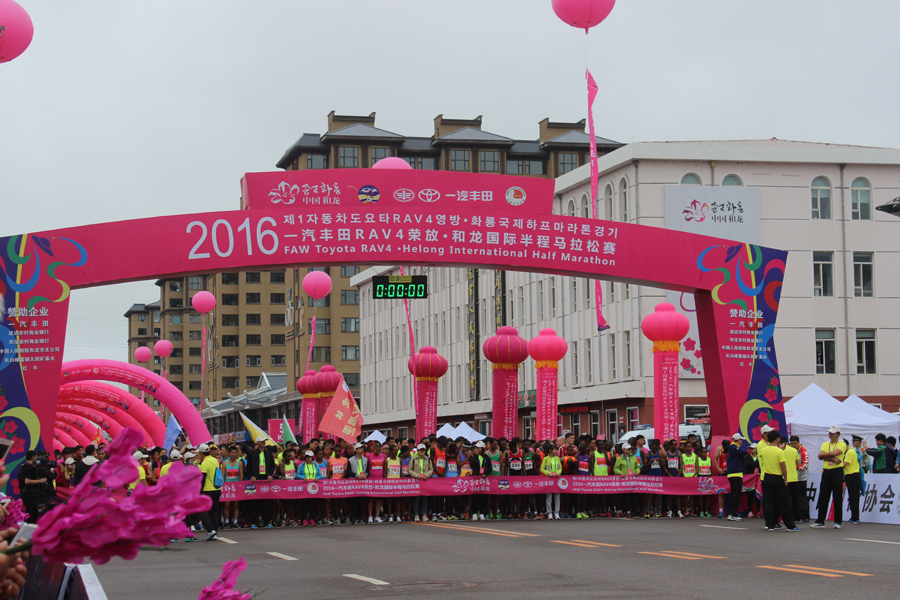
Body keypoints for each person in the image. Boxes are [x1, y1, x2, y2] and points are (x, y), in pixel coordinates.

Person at [758, 431, 800, 532]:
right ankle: (789, 525)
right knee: (783, 502)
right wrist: (785, 478)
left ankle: (770, 524)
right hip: (777, 478)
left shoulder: (763, 450)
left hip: (767, 477)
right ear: (777, 439)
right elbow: (783, 466)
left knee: (768, 502)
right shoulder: (779, 451)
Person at [811, 425, 846, 529]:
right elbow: (819, 456)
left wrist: (827, 456)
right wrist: (833, 459)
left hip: (837, 472)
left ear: (838, 434)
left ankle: (837, 521)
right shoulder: (825, 444)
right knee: (823, 497)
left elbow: (835, 452)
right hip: (827, 472)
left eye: (833, 433)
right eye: (830, 432)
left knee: (837, 497)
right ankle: (820, 521)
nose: (830, 434)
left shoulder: (842, 444)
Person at [246, 436, 274, 528]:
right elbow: (248, 467)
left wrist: (270, 475)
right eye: (261, 441)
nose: (263, 443)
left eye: (264, 441)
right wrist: (252, 476)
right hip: (256, 480)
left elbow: (272, 467)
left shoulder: (269, 454)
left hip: (266, 479)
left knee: (267, 502)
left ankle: (267, 522)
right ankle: (254, 522)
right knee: (254, 502)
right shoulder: (252, 454)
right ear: (257, 443)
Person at [197, 443, 221, 541]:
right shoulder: (215, 460)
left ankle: (210, 530)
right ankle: (214, 532)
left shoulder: (204, 463)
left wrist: (200, 491)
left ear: (201, 453)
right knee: (214, 512)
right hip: (217, 489)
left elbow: (203, 478)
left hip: (207, 490)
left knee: (201, 511)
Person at [18, 451, 46, 524]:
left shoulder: (23, 466)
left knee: (31, 513)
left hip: (27, 494)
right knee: (32, 514)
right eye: (36, 457)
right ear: (33, 457)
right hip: (30, 494)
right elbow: (27, 481)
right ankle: (29, 531)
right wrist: (40, 481)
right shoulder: (29, 467)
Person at [614, 442, 640, 518]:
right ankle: (625, 511)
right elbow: (616, 468)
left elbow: (637, 466)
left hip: (632, 480)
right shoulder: (620, 458)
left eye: (630, 448)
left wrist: (638, 471)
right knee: (624, 496)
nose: (629, 450)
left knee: (633, 496)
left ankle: (633, 511)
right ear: (623, 450)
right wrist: (620, 473)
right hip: (624, 481)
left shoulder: (633, 457)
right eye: (628, 449)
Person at [779, 437, 801, 522]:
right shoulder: (794, 450)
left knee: (786, 500)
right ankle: (797, 517)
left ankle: (786, 518)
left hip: (785, 478)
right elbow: (797, 463)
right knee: (796, 499)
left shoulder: (780, 451)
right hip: (794, 478)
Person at [410, 444, 433, 522]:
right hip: (417, 481)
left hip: (425, 481)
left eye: (423, 450)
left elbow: (431, 469)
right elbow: (409, 469)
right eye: (420, 450)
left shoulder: (428, 460)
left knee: (424, 498)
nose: (422, 451)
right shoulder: (413, 460)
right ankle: (416, 515)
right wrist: (416, 475)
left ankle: (424, 515)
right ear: (418, 451)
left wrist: (427, 475)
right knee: (416, 498)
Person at [347, 443, 369, 524]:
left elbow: (367, 470)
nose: (361, 450)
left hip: (363, 483)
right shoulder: (350, 460)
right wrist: (356, 475)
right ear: (356, 450)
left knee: (363, 500)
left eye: (362, 448)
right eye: (359, 448)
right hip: (354, 482)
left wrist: (366, 474)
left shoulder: (365, 459)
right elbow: (348, 471)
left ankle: (362, 516)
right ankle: (353, 517)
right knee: (354, 501)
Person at [790, 436, 810, 522]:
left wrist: (796, 468)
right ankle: (795, 515)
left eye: (794, 443)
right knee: (795, 498)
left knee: (802, 497)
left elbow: (805, 465)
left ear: (798, 443)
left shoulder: (803, 452)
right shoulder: (791, 451)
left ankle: (805, 516)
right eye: (791, 444)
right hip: (793, 478)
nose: (793, 445)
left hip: (801, 478)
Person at [541, 444, 562, 519]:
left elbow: (560, 468)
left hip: (556, 479)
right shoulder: (546, 458)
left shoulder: (557, 458)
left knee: (557, 497)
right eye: (554, 449)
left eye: (556, 449)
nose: (556, 451)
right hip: (549, 479)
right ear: (550, 450)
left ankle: (556, 513)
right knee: (549, 497)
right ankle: (549, 513)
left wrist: (557, 473)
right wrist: (549, 473)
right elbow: (542, 469)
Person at [844, 436, 862, 525]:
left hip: (852, 475)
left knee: (854, 497)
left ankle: (855, 517)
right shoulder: (851, 451)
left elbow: (844, 464)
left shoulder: (850, 452)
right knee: (852, 497)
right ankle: (854, 516)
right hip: (851, 475)